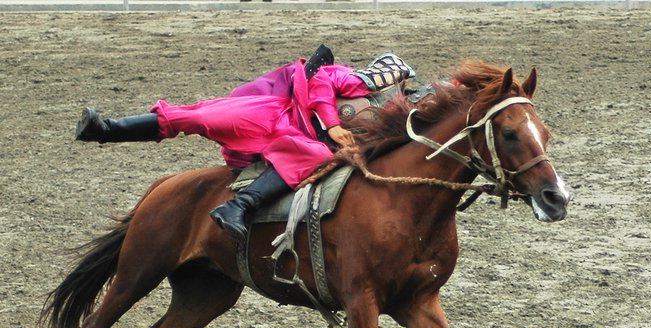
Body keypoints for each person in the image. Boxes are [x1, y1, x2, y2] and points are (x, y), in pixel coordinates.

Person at [75, 47, 414, 242]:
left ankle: (238, 207)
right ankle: (106, 129)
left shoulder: (395, 121)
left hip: (299, 142)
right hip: (276, 111)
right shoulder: (350, 79)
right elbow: (320, 80)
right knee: (203, 117)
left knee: (315, 155)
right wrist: (335, 124)